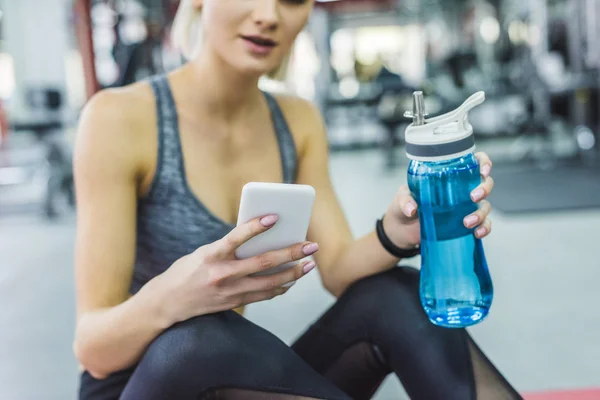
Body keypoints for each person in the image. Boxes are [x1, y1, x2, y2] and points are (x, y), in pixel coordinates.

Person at [73, 1, 522, 399]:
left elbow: (340, 272)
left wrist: (397, 233)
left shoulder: (297, 120)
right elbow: (93, 349)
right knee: (196, 338)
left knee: (393, 293)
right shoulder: (118, 119)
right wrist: (177, 295)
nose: (269, 14)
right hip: (142, 383)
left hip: (227, 381)